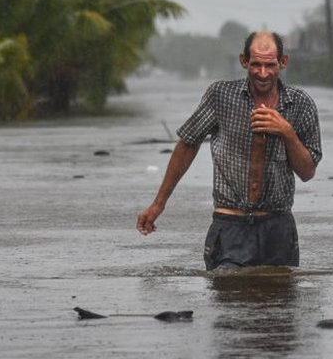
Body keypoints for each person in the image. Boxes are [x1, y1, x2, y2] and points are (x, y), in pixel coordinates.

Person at [136, 31, 322, 270]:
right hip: (230, 225)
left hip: (278, 227)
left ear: (283, 62)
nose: (263, 73)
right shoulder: (221, 96)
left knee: (279, 303)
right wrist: (158, 204)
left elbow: (307, 172)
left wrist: (286, 132)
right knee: (228, 299)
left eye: (270, 65)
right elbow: (187, 144)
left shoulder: (300, 104)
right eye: (256, 64)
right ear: (244, 61)